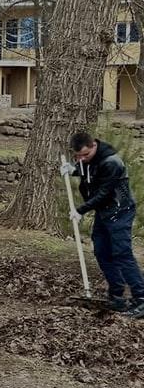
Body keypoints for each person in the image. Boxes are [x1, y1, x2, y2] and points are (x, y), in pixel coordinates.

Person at [64, 132, 144, 317]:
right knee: (101, 251)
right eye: (78, 156)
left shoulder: (111, 162)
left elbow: (104, 193)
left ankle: (141, 297)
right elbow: (90, 174)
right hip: (104, 212)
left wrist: (80, 210)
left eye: (85, 155)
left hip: (119, 211)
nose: (81, 159)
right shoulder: (88, 159)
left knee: (122, 253)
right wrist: (73, 170)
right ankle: (117, 296)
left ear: (94, 145)